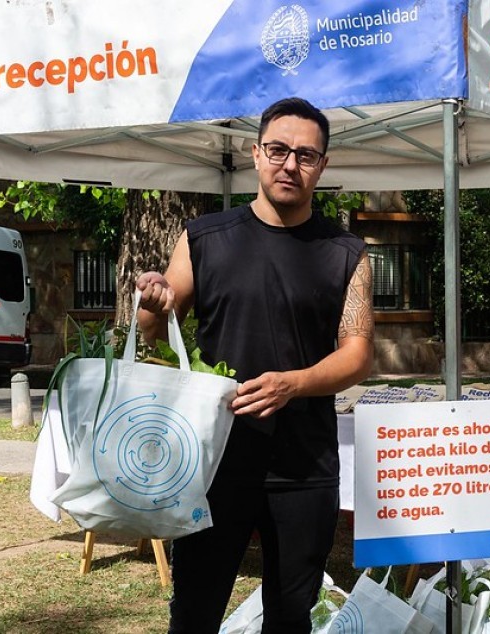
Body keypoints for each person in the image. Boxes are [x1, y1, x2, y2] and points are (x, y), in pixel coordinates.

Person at [135, 97, 374, 634]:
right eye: (278, 149)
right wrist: (152, 305)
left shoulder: (346, 252)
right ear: (255, 153)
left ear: (323, 166)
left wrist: (294, 384)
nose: (290, 164)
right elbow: (158, 327)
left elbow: (358, 354)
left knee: (291, 620)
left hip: (304, 467)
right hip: (215, 464)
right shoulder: (204, 238)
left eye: (306, 155)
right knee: (194, 613)